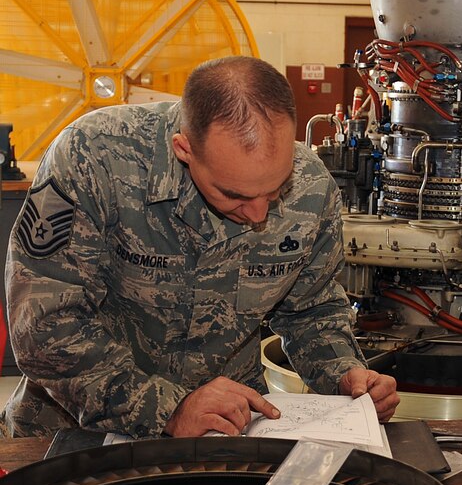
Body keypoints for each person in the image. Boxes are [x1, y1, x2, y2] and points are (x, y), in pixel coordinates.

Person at [0, 56, 399, 438]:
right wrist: (168, 408)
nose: (260, 214)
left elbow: (311, 310)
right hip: (76, 432)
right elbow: (45, 327)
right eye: (235, 195)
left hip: (227, 432)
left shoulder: (312, 187)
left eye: (275, 190)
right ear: (184, 149)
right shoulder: (94, 158)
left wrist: (345, 373)